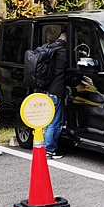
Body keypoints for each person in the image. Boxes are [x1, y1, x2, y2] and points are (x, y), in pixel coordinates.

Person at [41, 30, 68, 160]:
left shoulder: (50, 49)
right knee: (55, 122)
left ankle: (45, 147)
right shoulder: (63, 51)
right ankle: (50, 149)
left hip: (45, 90)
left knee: (47, 121)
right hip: (56, 91)